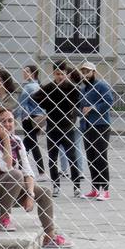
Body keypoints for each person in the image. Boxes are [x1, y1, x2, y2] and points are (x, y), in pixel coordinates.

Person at [0, 110, 69, 248]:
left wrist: (30, 193)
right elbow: (6, 167)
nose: (7, 124)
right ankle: (4, 217)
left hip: (10, 186)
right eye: (3, 121)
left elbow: (28, 170)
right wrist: (6, 140)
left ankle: (50, 235)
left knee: (44, 192)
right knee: (16, 174)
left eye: (10, 121)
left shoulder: (17, 141)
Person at [38, 63, 82, 197]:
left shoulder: (72, 88)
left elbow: (77, 104)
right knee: (52, 158)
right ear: (53, 74)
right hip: (52, 127)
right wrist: (48, 105)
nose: (60, 76)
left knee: (72, 158)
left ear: (66, 74)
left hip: (67, 127)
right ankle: (56, 186)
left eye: (62, 74)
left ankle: (77, 187)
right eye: (57, 74)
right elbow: (37, 98)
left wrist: (72, 115)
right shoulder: (49, 87)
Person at [78, 62, 115, 200]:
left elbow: (109, 101)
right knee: (91, 158)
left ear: (94, 72)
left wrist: (93, 108)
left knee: (100, 157)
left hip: (101, 125)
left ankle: (105, 190)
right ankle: (94, 188)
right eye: (83, 71)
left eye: (87, 71)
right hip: (87, 126)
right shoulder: (83, 89)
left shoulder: (101, 85)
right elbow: (80, 106)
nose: (85, 74)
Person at [16, 65, 46, 176]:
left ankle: (39, 171)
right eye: (24, 70)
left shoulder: (28, 87)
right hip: (39, 118)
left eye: (27, 71)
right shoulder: (39, 86)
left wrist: (13, 116)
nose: (24, 72)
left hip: (28, 118)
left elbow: (21, 105)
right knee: (29, 144)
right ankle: (21, 167)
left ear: (33, 73)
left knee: (30, 144)